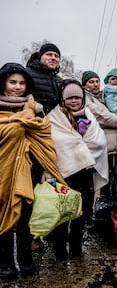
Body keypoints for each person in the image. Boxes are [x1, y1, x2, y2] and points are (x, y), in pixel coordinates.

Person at [0, 63, 65, 279]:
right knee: (4, 216)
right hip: (3, 171)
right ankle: (6, 264)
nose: (17, 87)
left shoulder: (35, 108)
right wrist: (21, 121)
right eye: (13, 82)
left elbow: (44, 134)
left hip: (29, 170)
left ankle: (26, 262)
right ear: (4, 83)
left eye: (21, 83)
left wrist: (47, 168)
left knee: (26, 217)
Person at [48, 80, 109, 258]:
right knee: (63, 212)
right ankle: (59, 249)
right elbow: (52, 144)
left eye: (77, 97)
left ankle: (76, 246)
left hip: (85, 172)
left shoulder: (88, 115)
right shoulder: (54, 118)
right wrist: (77, 143)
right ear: (63, 99)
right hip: (64, 174)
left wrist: (82, 145)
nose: (74, 101)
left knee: (81, 212)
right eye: (70, 98)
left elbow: (99, 141)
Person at [82, 70, 117, 154]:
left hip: (115, 146)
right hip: (101, 148)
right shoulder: (85, 98)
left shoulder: (105, 96)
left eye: (97, 81)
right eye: (91, 82)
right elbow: (101, 116)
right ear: (84, 85)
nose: (96, 84)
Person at [26, 43, 63, 115]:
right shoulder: (27, 74)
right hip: (32, 122)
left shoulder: (60, 81)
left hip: (55, 122)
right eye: (49, 54)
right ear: (40, 57)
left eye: (56, 56)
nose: (53, 58)